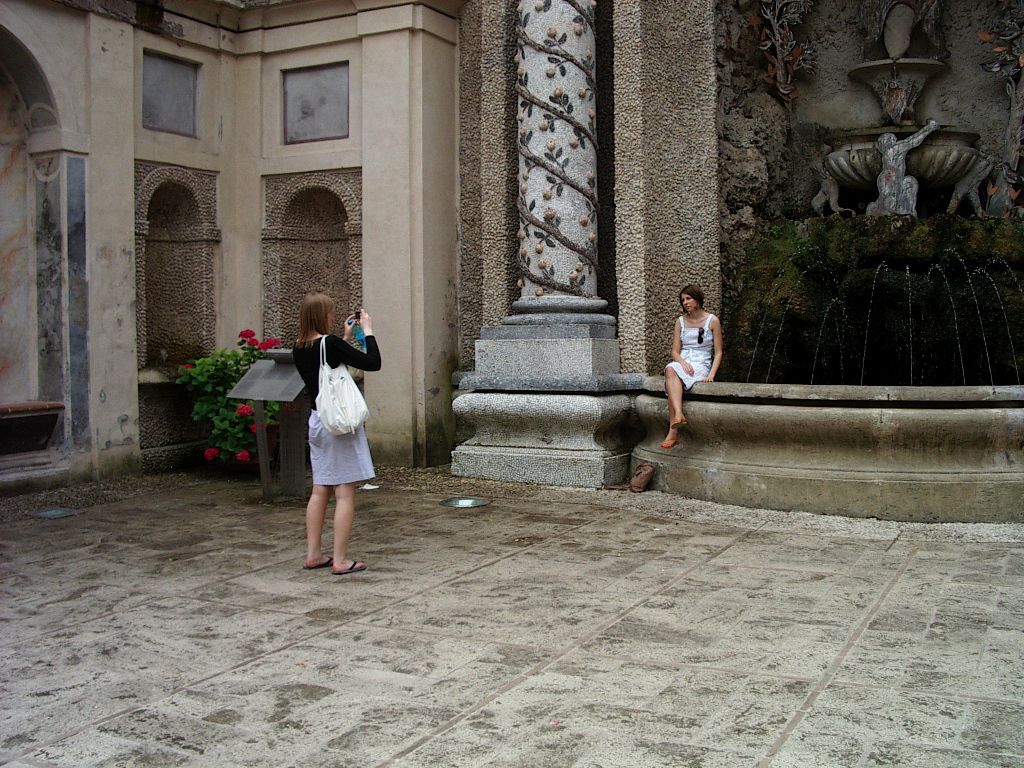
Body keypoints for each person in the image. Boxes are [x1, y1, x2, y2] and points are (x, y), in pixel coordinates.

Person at [292, 292, 381, 575]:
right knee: (345, 492)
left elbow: (326, 368)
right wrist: (367, 332)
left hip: (319, 421)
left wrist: (344, 337)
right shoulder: (328, 344)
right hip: (340, 426)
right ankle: (341, 559)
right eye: (329, 312)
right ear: (322, 315)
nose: (332, 316)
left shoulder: (300, 346)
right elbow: (373, 362)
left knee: (320, 489)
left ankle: (314, 553)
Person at [661, 284, 723, 449]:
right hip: (684, 361)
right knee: (670, 369)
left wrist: (711, 375)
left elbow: (718, 352)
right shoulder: (680, 322)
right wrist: (683, 362)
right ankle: (679, 414)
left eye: (688, 298)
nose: (685, 302)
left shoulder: (712, 320)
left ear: (697, 299)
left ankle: (673, 430)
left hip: (701, 364)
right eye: (683, 300)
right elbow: (675, 351)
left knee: (671, 378)